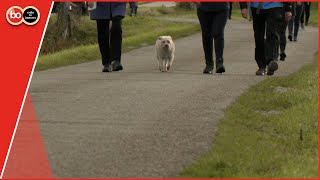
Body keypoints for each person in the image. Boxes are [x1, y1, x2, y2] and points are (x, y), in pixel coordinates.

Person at [240, 2, 292, 76]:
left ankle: (271, 60)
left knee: (272, 34)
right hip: (257, 7)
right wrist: (243, 6)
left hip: (275, 5)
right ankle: (261, 66)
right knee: (259, 37)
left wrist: (288, 8)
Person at [89, 2, 136, 72]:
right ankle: (106, 63)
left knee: (116, 27)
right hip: (99, 5)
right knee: (102, 32)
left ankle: (115, 60)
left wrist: (133, 4)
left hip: (118, 4)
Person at [196, 2, 229, 74]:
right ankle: (209, 64)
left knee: (218, 33)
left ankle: (219, 63)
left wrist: (243, 6)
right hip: (203, 9)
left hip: (221, 9)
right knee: (206, 36)